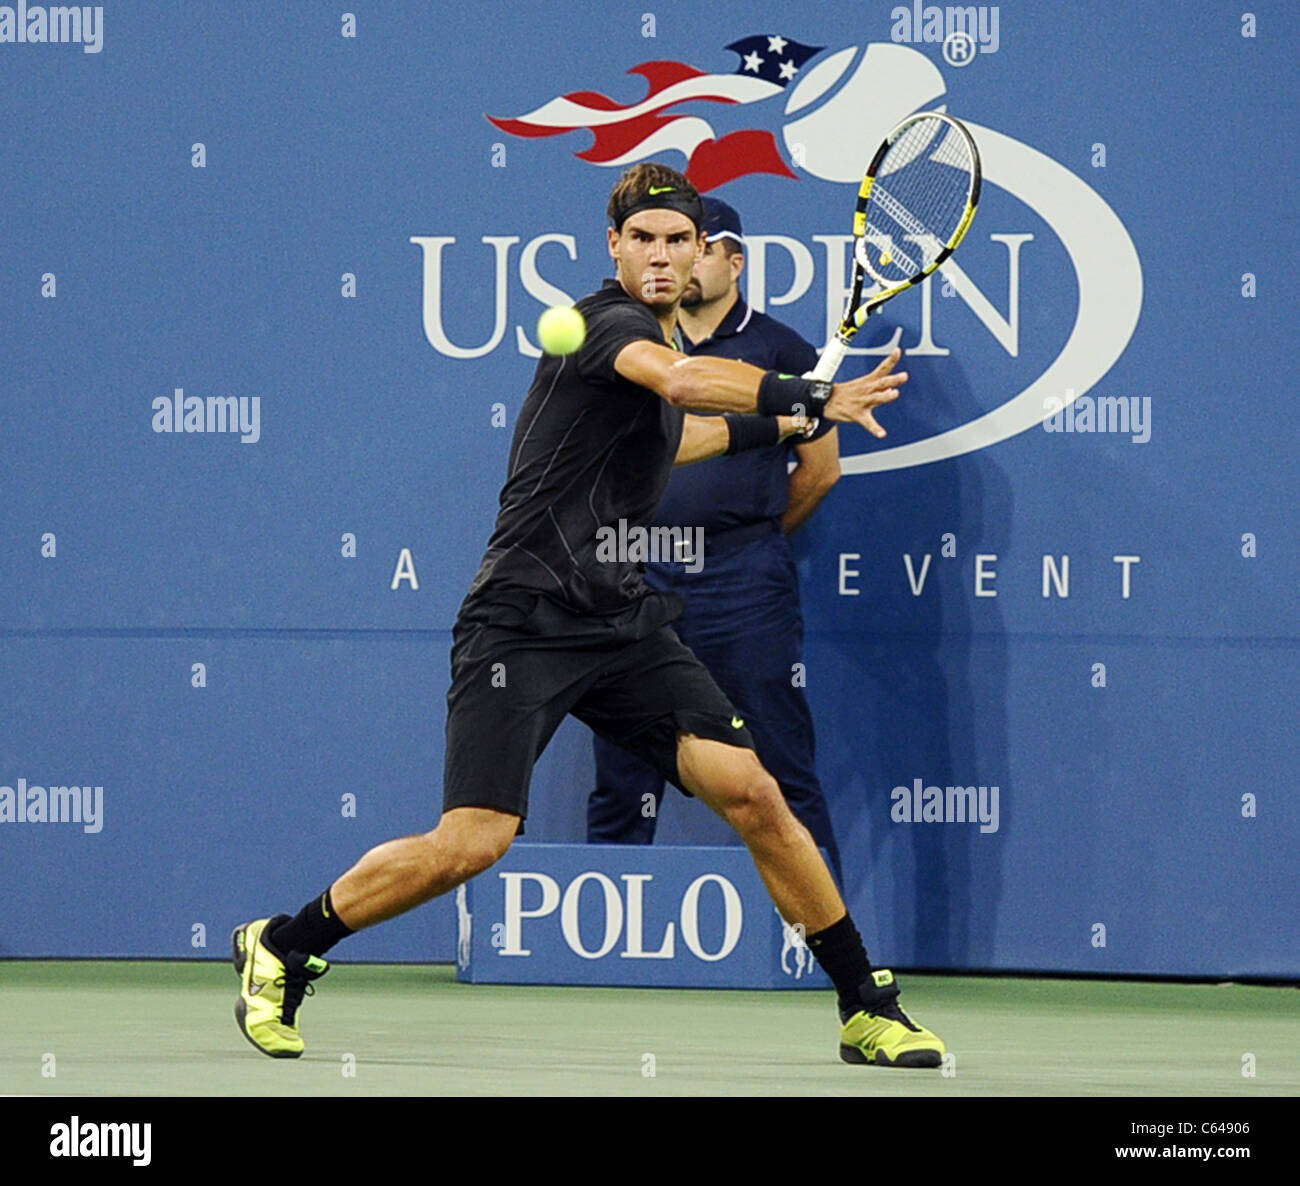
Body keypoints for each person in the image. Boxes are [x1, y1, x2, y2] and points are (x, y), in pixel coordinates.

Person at [231, 162, 944, 1068]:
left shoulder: (654, 338)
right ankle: (288, 943)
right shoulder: (608, 323)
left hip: (621, 617)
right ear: (614, 247)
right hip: (523, 620)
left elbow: (679, 436)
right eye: (640, 238)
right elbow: (680, 386)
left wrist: (781, 426)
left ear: (699, 254)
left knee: (754, 792)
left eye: (675, 240)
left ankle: (865, 1006)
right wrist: (805, 397)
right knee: (471, 845)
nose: (657, 254)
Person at [586, 197, 843, 883]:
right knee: (623, 765)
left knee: (780, 758)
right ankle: (610, 940)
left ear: (735, 259)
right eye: (667, 242)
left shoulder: (786, 352)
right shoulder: (630, 343)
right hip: (635, 575)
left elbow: (819, 473)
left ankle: (815, 937)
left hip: (742, 581)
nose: (683, 260)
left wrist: (745, 541)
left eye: (700, 245)